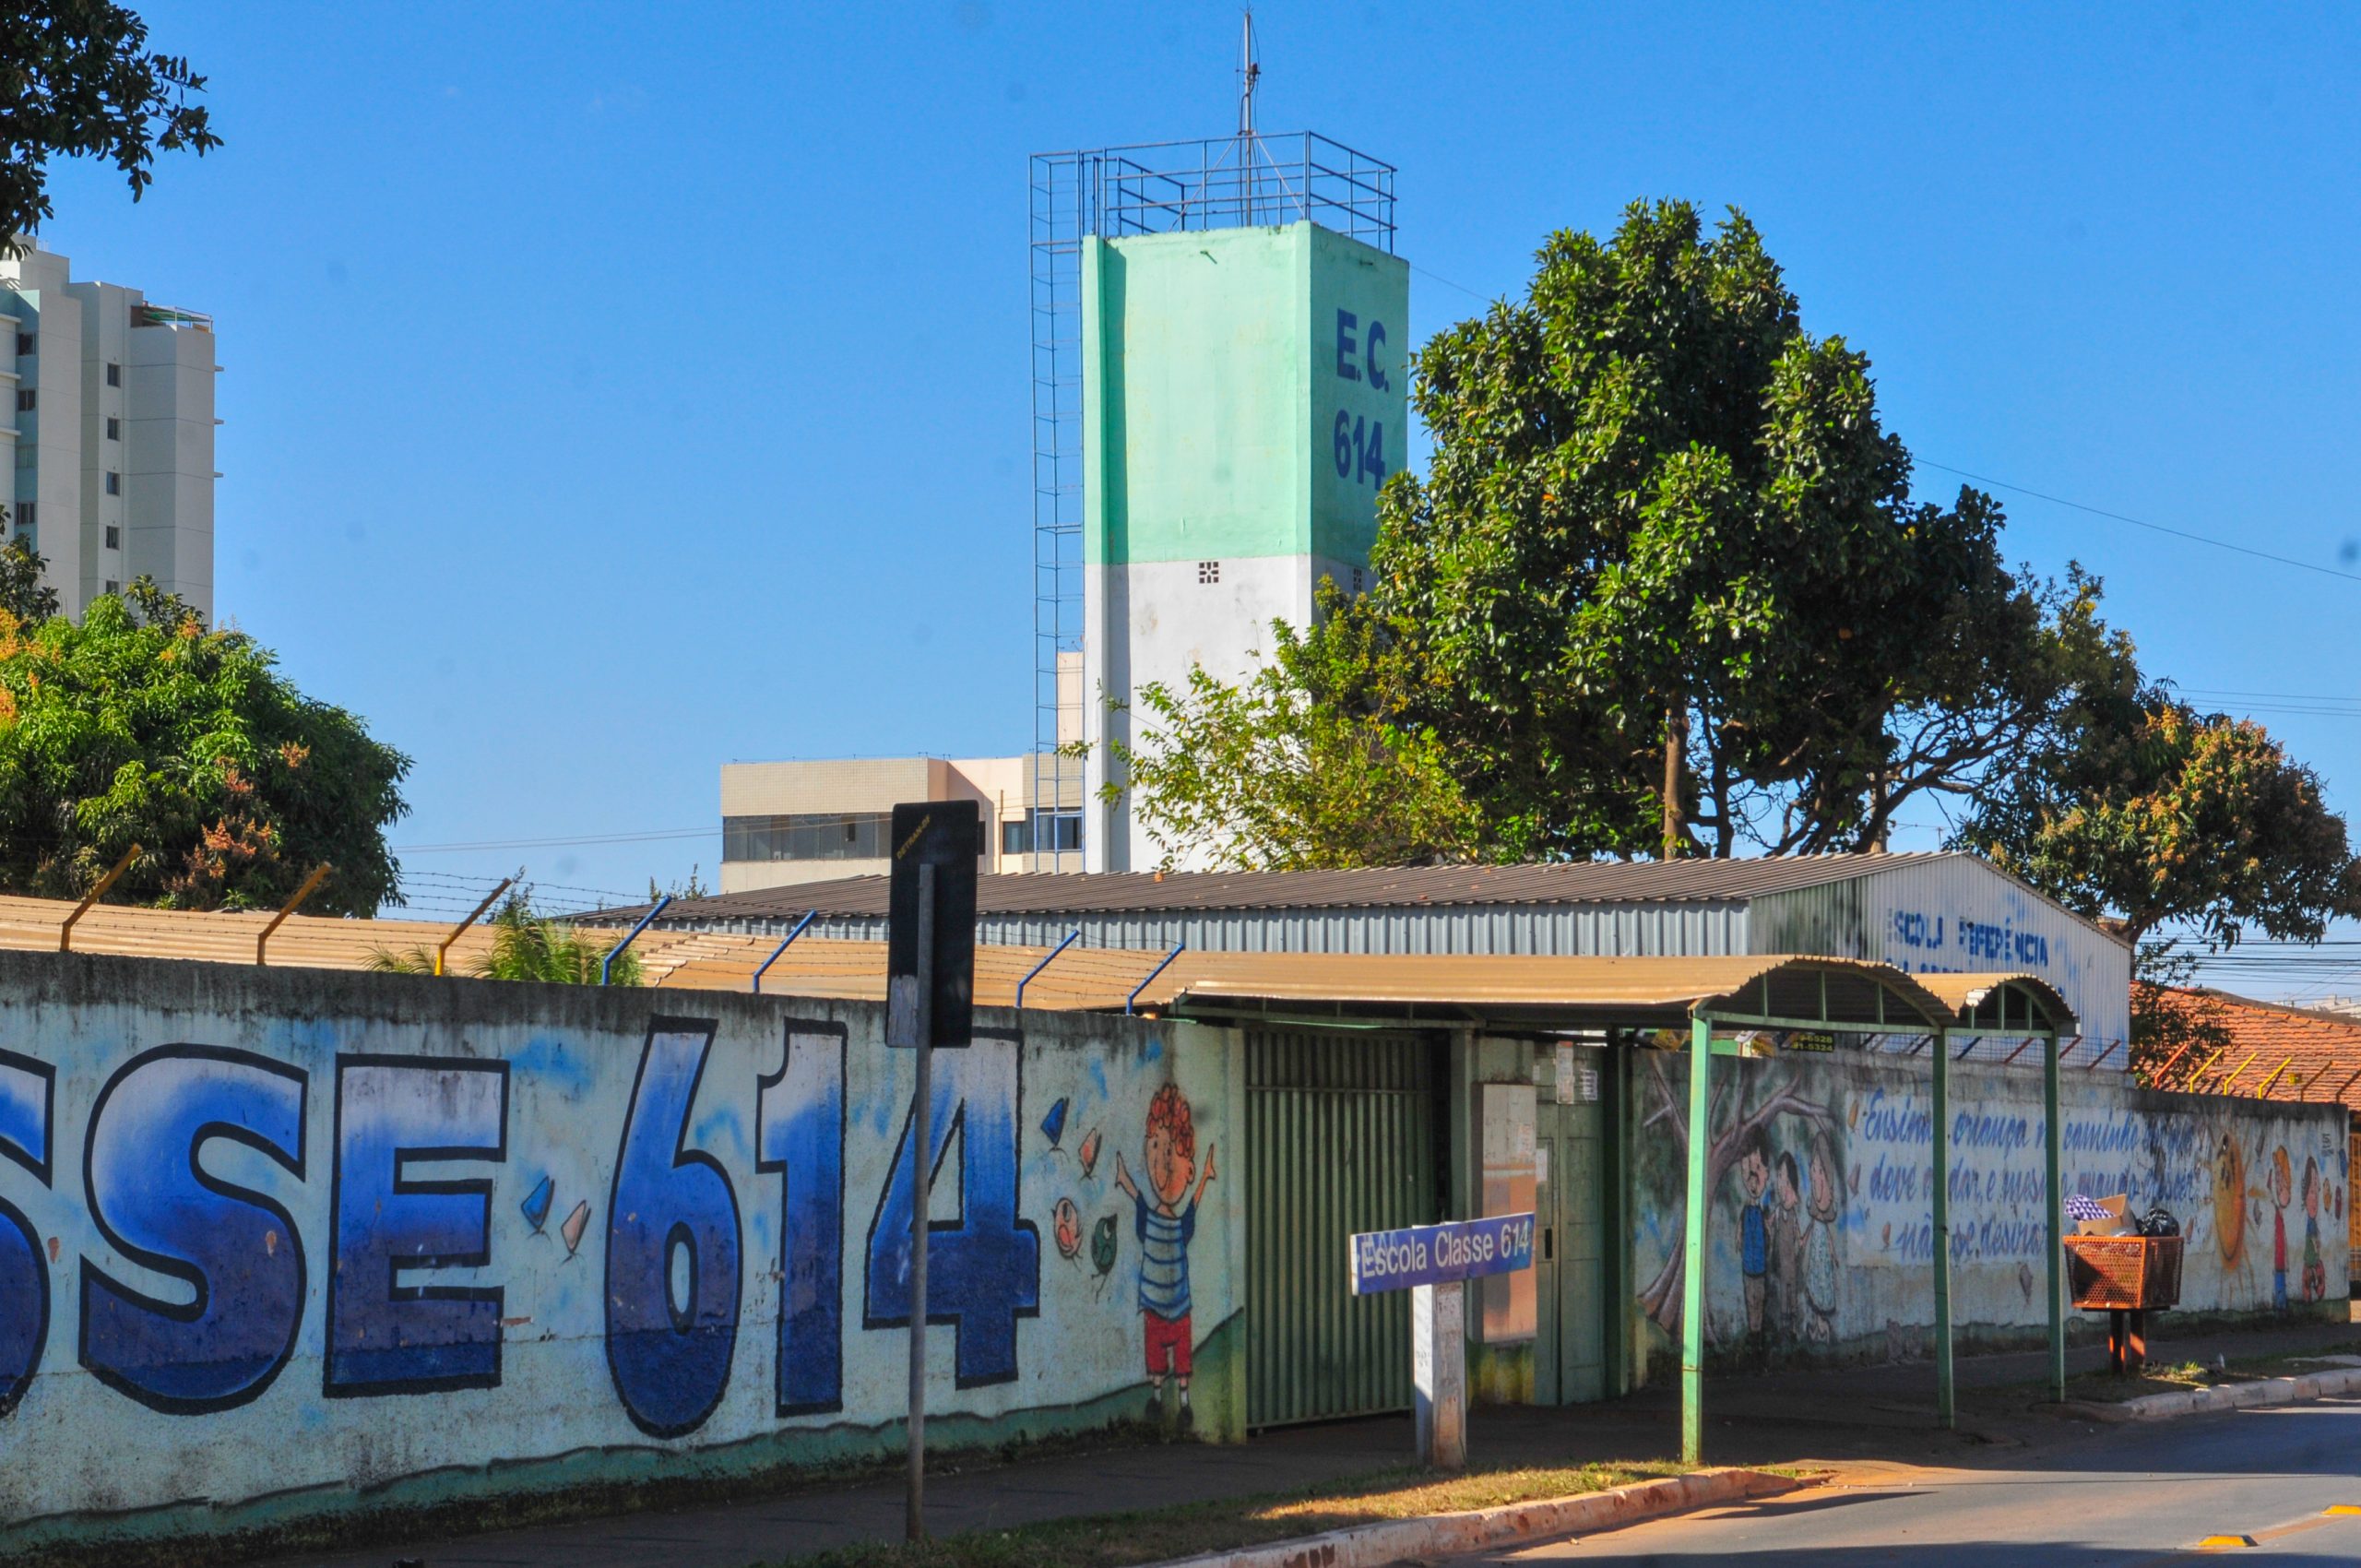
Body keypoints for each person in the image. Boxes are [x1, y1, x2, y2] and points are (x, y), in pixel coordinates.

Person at [1114, 1083, 1217, 1426]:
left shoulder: (1181, 1222)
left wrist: (1205, 1176)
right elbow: (1134, 1195)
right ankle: (1158, 1399)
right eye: (1156, 1147)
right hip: (1156, 1304)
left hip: (1180, 1304)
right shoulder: (1149, 1217)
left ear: (1187, 1170)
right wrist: (1124, 1178)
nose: (1163, 1162)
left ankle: (1185, 1402)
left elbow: (1196, 1202)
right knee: (1157, 1353)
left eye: (1172, 1152)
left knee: (1183, 1355)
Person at [1735, 1134, 1771, 1344]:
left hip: (1760, 1266)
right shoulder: (1746, 1211)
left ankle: (1757, 1330)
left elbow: (1767, 1230)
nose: (1752, 1179)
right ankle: (1753, 1330)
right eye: (1748, 1170)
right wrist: (1738, 1236)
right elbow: (1740, 1228)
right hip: (1749, 1265)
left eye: (1757, 1169)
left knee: (1760, 1297)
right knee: (1751, 1299)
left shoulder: (1761, 1211)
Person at [1769, 1149, 1805, 1341]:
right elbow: (1770, 1223)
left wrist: (1802, 1241)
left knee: (1792, 1293)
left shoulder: (1792, 1215)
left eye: (1787, 1182)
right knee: (1785, 1292)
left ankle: (1792, 1327)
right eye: (1780, 1178)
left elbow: (1798, 1234)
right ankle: (1786, 1327)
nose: (1783, 1187)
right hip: (1782, 1263)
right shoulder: (1778, 1211)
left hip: (1791, 1262)